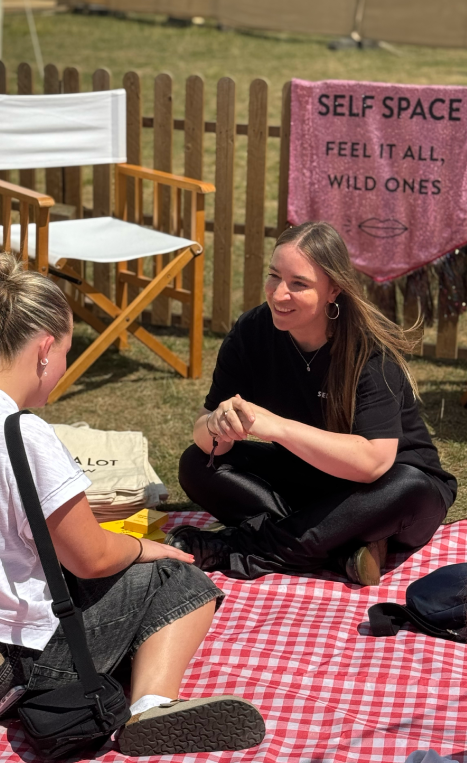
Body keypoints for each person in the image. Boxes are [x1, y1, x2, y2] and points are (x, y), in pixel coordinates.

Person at [0, 252, 264, 757]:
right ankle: (151, 707)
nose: (62, 370)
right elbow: (92, 558)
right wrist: (144, 549)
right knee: (178, 581)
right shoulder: (21, 432)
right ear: (44, 348)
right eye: (66, 355)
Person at [168, 222, 457, 584]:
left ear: (334, 289)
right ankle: (339, 550)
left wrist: (277, 427)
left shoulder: (369, 348)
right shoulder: (253, 331)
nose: (278, 294)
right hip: (309, 480)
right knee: (197, 463)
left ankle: (240, 548)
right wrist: (217, 426)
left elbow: (373, 463)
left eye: (299, 284)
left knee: (409, 485)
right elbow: (204, 428)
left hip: (384, 493)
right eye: (274, 276)